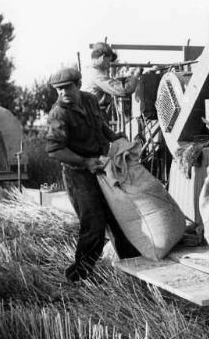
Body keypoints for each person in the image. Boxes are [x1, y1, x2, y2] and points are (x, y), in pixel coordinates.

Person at [45, 67, 139, 282]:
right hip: (78, 175)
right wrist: (85, 162)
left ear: (77, 85)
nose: (63, 93)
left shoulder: (90, 100)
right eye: (58, 90)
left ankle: (134, 268)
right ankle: (78, 276)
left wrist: (114, 137)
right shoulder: (58, 114)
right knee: (94, 226)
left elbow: (100, 125)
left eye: (67, 87)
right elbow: (54, 150)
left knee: (118, 217)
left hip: (101, 168)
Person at [81, 42, 141, 128]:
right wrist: (136, 76)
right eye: (108, 61)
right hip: (94, 117)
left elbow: (109, 83)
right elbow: (123, 90)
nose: (109, 65)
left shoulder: (88, 70)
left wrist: (128, 78)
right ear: (102, 58)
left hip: (91, 115)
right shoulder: (96, 74)